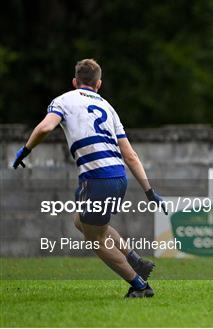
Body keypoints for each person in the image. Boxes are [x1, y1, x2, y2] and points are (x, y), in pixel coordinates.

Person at [12, 59, 166, 298]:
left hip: (97, 178)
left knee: (95, 238)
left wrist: (26, 149)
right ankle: (136, 261)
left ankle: (140, 285)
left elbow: (44, 128)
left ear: (75, 82)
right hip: (117, 176)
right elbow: (131, 156)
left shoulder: (64, 100)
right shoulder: (108, 107)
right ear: (99, 84)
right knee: (82, 222)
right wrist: (149, 192)